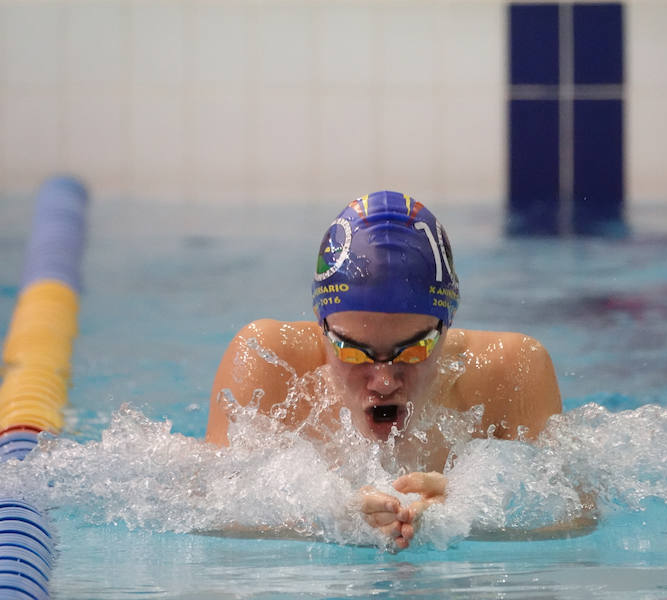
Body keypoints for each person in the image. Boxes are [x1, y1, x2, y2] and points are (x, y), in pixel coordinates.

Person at [206, 190, 570, 549]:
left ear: (448, 322)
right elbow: (206, 509)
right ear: (321, 322)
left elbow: (575, 516)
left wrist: (469, 512)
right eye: (352, 350)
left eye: (414, 349)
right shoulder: (268, 363)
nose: (383, 382)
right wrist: (328, 519)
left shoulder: (511, 371)